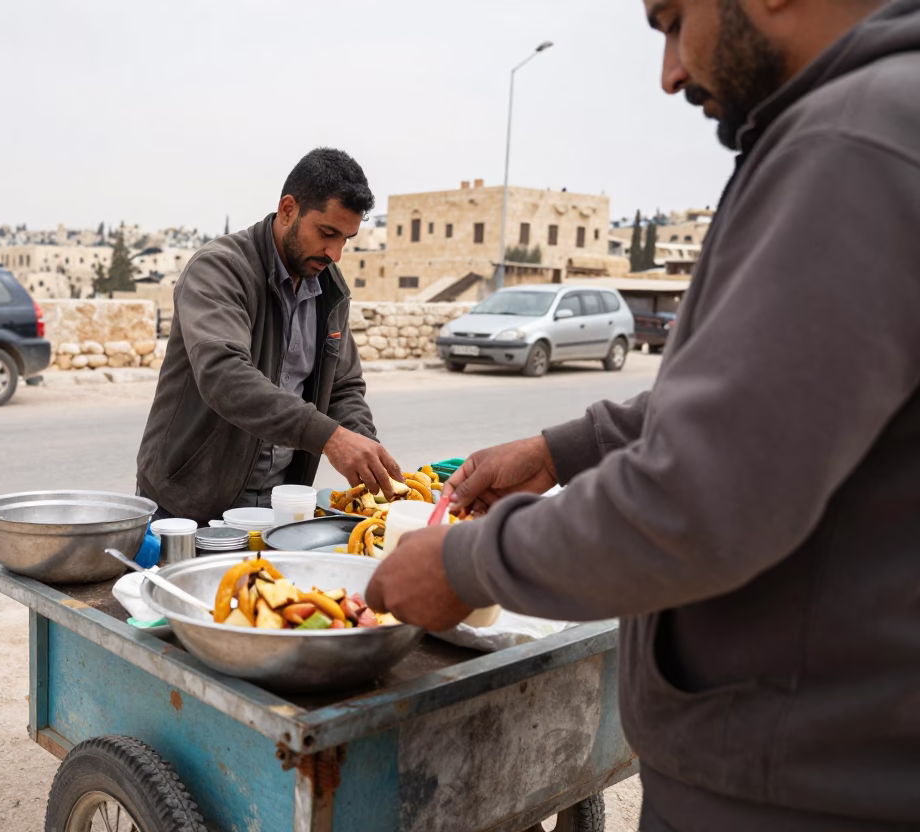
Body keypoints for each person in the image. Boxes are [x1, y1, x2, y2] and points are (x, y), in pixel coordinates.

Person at [367, 1, 920, 830]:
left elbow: (702, 495)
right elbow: (758, 403)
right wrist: (562, 449)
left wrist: (465, 564)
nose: (668, 74)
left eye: (671, 19)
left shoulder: (853, 142)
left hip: (796, 789)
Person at [136, 148, 402, 525]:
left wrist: (363, 446)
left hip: (276, 509)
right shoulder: (221, 268)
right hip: (187, 506)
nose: (335, 253)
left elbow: (342, 387)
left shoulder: (329, 289)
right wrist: (330, 437)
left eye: (347, 239)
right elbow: (224, 375)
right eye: (327, 233)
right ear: (288, 209)